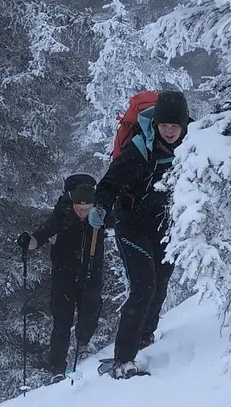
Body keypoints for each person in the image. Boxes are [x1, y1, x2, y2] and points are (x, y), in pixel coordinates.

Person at [92, 88, 189, 379]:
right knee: (144, 284)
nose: (170, 131)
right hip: (131, 224)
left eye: (175, 126)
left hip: (165, 225)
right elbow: (109, 183)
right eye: (164, 125)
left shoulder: (194, 145)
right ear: (156, 124)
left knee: (160, 283)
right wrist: (101, 207)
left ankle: (145, 337)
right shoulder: (139, 149)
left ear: (184, 125)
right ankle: (124, 360)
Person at [21, 173, 105, 378]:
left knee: (90, 313)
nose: (84, 213)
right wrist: (28, 242)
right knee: (62, 321)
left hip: (91, 273)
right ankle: (56, 367)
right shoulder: (62, 213)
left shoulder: (102, 213)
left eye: (88, 208)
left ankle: (83, 346)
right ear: (72, 202)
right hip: (64, 274)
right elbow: (43, 234)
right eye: (80, 208)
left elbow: (120, 222)